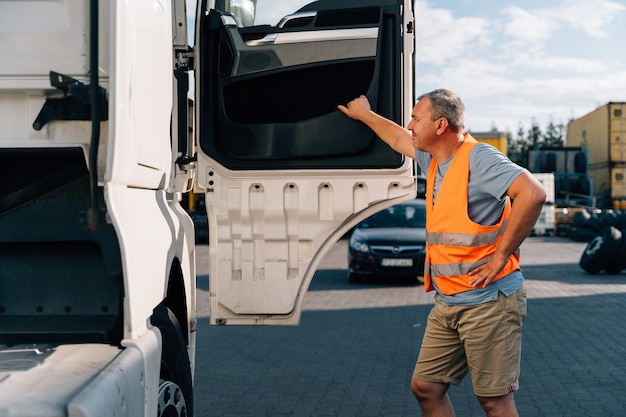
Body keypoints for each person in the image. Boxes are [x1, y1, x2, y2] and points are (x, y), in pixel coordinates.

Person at [338, 89, 546, 417]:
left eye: (416, 118)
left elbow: (532, 193)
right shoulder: (435, 158)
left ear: (440, 126)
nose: (409, 124)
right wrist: (364, 114)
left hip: (488, 304)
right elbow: (396, 138)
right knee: (426, 388)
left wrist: (500, 256)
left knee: (494, 402)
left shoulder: (479, 158)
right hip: (449, 303)